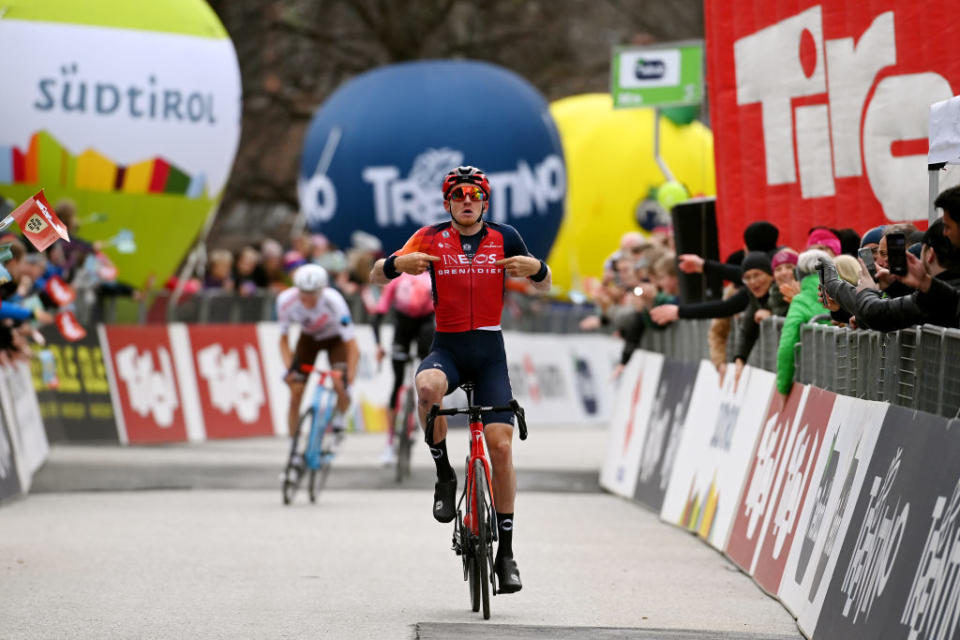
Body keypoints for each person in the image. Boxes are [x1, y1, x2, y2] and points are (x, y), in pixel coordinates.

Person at [370, 165, 551, 594]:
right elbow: (376, 274)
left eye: (474, 195)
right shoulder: (429, 236)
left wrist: (538, 269)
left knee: (502, 447)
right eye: (458, 196)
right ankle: (444, 474)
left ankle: (506, 553)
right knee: (427, 387)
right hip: (447, 347)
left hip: (490, 353)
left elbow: (544, 287)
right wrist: (398, 263)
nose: (466, 201)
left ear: (484, 202)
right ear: (448, 202)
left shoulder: (505, 236)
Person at [277, 264, 360, 475]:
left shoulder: (334, 301)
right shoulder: (286, 301)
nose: (308, 299)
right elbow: (283, 340)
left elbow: (352, 345)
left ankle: (340, 420)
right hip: (309, 340)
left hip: (336, 341)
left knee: (340, 382)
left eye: (313, 294)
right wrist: (290, 368)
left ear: (322, 290)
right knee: (295, 393)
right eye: (303, 293)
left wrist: (349, 375)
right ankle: (294, 451)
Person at [370, 271, 435, 465]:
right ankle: (390, 442)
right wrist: (379, 346)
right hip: (404, 326)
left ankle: (420, 422)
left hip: (425, 324)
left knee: (422, 380)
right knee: (398, 383)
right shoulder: (398, 279)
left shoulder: (430, 278)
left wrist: (378, 345)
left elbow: (378, 316)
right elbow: (379, 313)